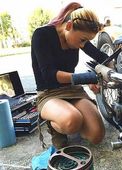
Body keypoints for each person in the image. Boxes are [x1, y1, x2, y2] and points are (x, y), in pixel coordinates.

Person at [31, 2, 110, 149]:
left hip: (73, 90)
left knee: (96, 135)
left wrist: (118, 65)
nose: (83, 45)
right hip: (49, 93)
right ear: (68, 26)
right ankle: (56, 126)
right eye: (82, 40)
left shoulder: (78, 35)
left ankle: (73, 121)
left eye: (86, 41)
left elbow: (100, 56)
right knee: (72, 119)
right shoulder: (41, 35)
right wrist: (88, 78)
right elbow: (49, 75)